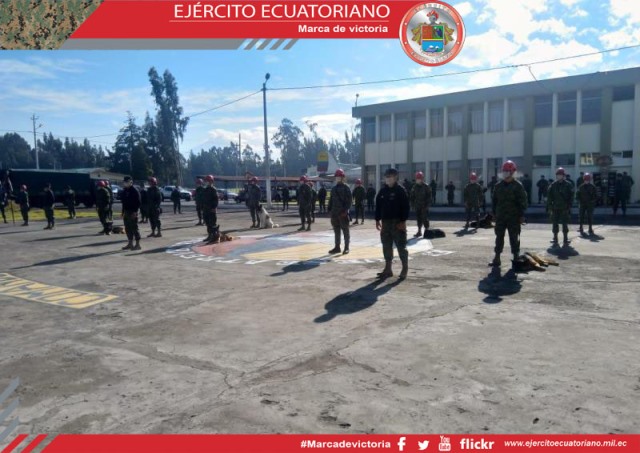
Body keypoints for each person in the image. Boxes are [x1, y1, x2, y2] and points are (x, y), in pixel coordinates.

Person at [376, 168, 411, 280]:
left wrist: (403, 221)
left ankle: (404, 268)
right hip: (385, 223)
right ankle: (388, 269)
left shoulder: (400, 191)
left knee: (401, 246)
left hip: (398, 223)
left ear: (395, 178)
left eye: (390, 176)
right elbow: (378, 206)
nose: (388, 179)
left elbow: (406, 207)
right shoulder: (382, 191)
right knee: (386, 246)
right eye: (386, 177)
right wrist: (377, 219)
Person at [491, 161, 527, 268]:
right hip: (500, 216)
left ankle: (516, 257)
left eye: (508, 171)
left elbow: (523, 201)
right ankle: (497, 257)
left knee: (514, 237)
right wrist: (494, 214)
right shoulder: (498, 186)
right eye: (504, 171)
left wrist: (521, 215)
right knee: (499, 237)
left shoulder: (518, 186)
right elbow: (494, 201)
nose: (505, 173)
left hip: (513, 217)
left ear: (513, 172)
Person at [547, 167, 574, 246]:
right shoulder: (553, 185)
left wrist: (569, 205)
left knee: (565, 223)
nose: (559, 176)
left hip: (564, 207)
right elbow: (549, 197)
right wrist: (550, 207)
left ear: (563, 176)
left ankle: (565, 239)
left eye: (560, 175)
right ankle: (555, 238)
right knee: (555, 223)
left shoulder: (568, 185)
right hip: (555, 207)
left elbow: (571, 196)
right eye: (558, 175)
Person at [328, 168, 352, 255]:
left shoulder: (346, 188)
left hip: (342, 213)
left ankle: (346, 247)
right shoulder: (334, 189)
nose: (337, 178)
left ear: (342, 178)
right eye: (336, 177)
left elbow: (349, 201)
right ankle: (337, 247)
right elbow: (331, 200)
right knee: (336, 230)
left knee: (345, 230)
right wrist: (329, 210)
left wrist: (345, 211)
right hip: (334, 213)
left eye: (339, 176)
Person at [120, 176, 141, 251]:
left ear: (130, 182)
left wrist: (135, 212)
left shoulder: (134, 191)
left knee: (134, 228)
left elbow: (138, 202)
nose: (125, 183)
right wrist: (123, 212)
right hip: (126, 212)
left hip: (133, 212)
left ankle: (138, 244)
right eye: (124, 182)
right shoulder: (124, 191)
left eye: (126, 182)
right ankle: (130, 243)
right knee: (127, 228)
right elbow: (123, 203)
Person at [409, 171, 431, 238]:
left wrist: (427, 205)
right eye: (417, 179)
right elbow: (412, 196)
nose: (418, 180)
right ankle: (419, 231)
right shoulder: (414, 187)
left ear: (422, 179)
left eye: (419, 178)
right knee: (418, 219)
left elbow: (429, 197)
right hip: (417, 205)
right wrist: (412, 204)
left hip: (424, 206)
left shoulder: (426, 186)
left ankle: (427, 231)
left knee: (425, 218)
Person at [202, 175, 219, 243]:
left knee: (212, 223)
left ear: (212, 182)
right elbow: (203, 199)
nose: (207, 182)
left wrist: (214, 207)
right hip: (206, 209)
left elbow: (216, 200)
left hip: (211, 209)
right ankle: (210, 235)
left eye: (208, 181)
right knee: (207, 223)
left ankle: (214, 236)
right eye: (206, 181)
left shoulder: (213, 189)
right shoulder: (205, 189)